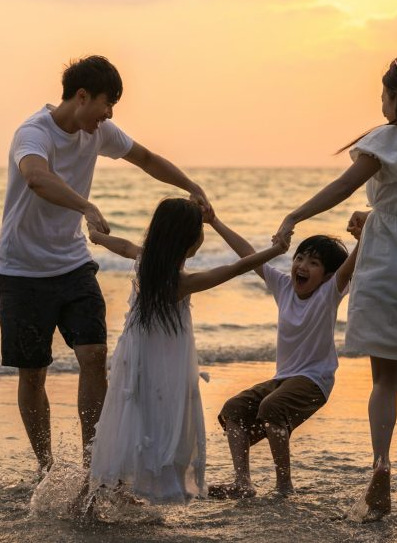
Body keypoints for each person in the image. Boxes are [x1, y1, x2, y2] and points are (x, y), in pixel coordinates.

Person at [0, 56, 212, 474]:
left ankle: (95, 467)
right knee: (33, 374)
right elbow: (36, 178)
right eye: (106, 104)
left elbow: (146, 158)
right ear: (81, 97)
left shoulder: (99, 133)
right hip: (21, 270)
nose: (109, 114)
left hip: (74, 263)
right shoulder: (32, 133)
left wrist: (190, 185)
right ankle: (46, 468)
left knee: (94, 356)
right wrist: (86, 205)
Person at [274, 58, 397, 520]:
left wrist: (295, 216)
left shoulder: (388, 138)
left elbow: (342, 186)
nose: (381, 101)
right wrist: (381, 218)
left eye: (385, 93)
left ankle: (381, 470)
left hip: (388, 263)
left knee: (385, 379)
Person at [87, 198, 290, 503]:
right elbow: (236, 268)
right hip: (159, 365)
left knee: (129, 415)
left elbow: (123, 246)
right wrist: (276, 250)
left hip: (132, 358)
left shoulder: (146, 264)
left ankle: (110, 485)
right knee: (156, 418)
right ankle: (128, 484)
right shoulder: (180, 282)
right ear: (190, 239)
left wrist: (98, 236)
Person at [208, 223, 359, 498]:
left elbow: (349, 266)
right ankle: (243, 483)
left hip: (315, 379)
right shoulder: (284, 286)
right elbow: (248, 254)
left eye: (314, 263)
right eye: (300, 258)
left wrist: (365, 236)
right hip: (283, 379)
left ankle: (284, 487)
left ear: (327, 276)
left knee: (272, 407)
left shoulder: (329, 292)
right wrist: (215, 221)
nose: (302, 265)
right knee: (234, 408)